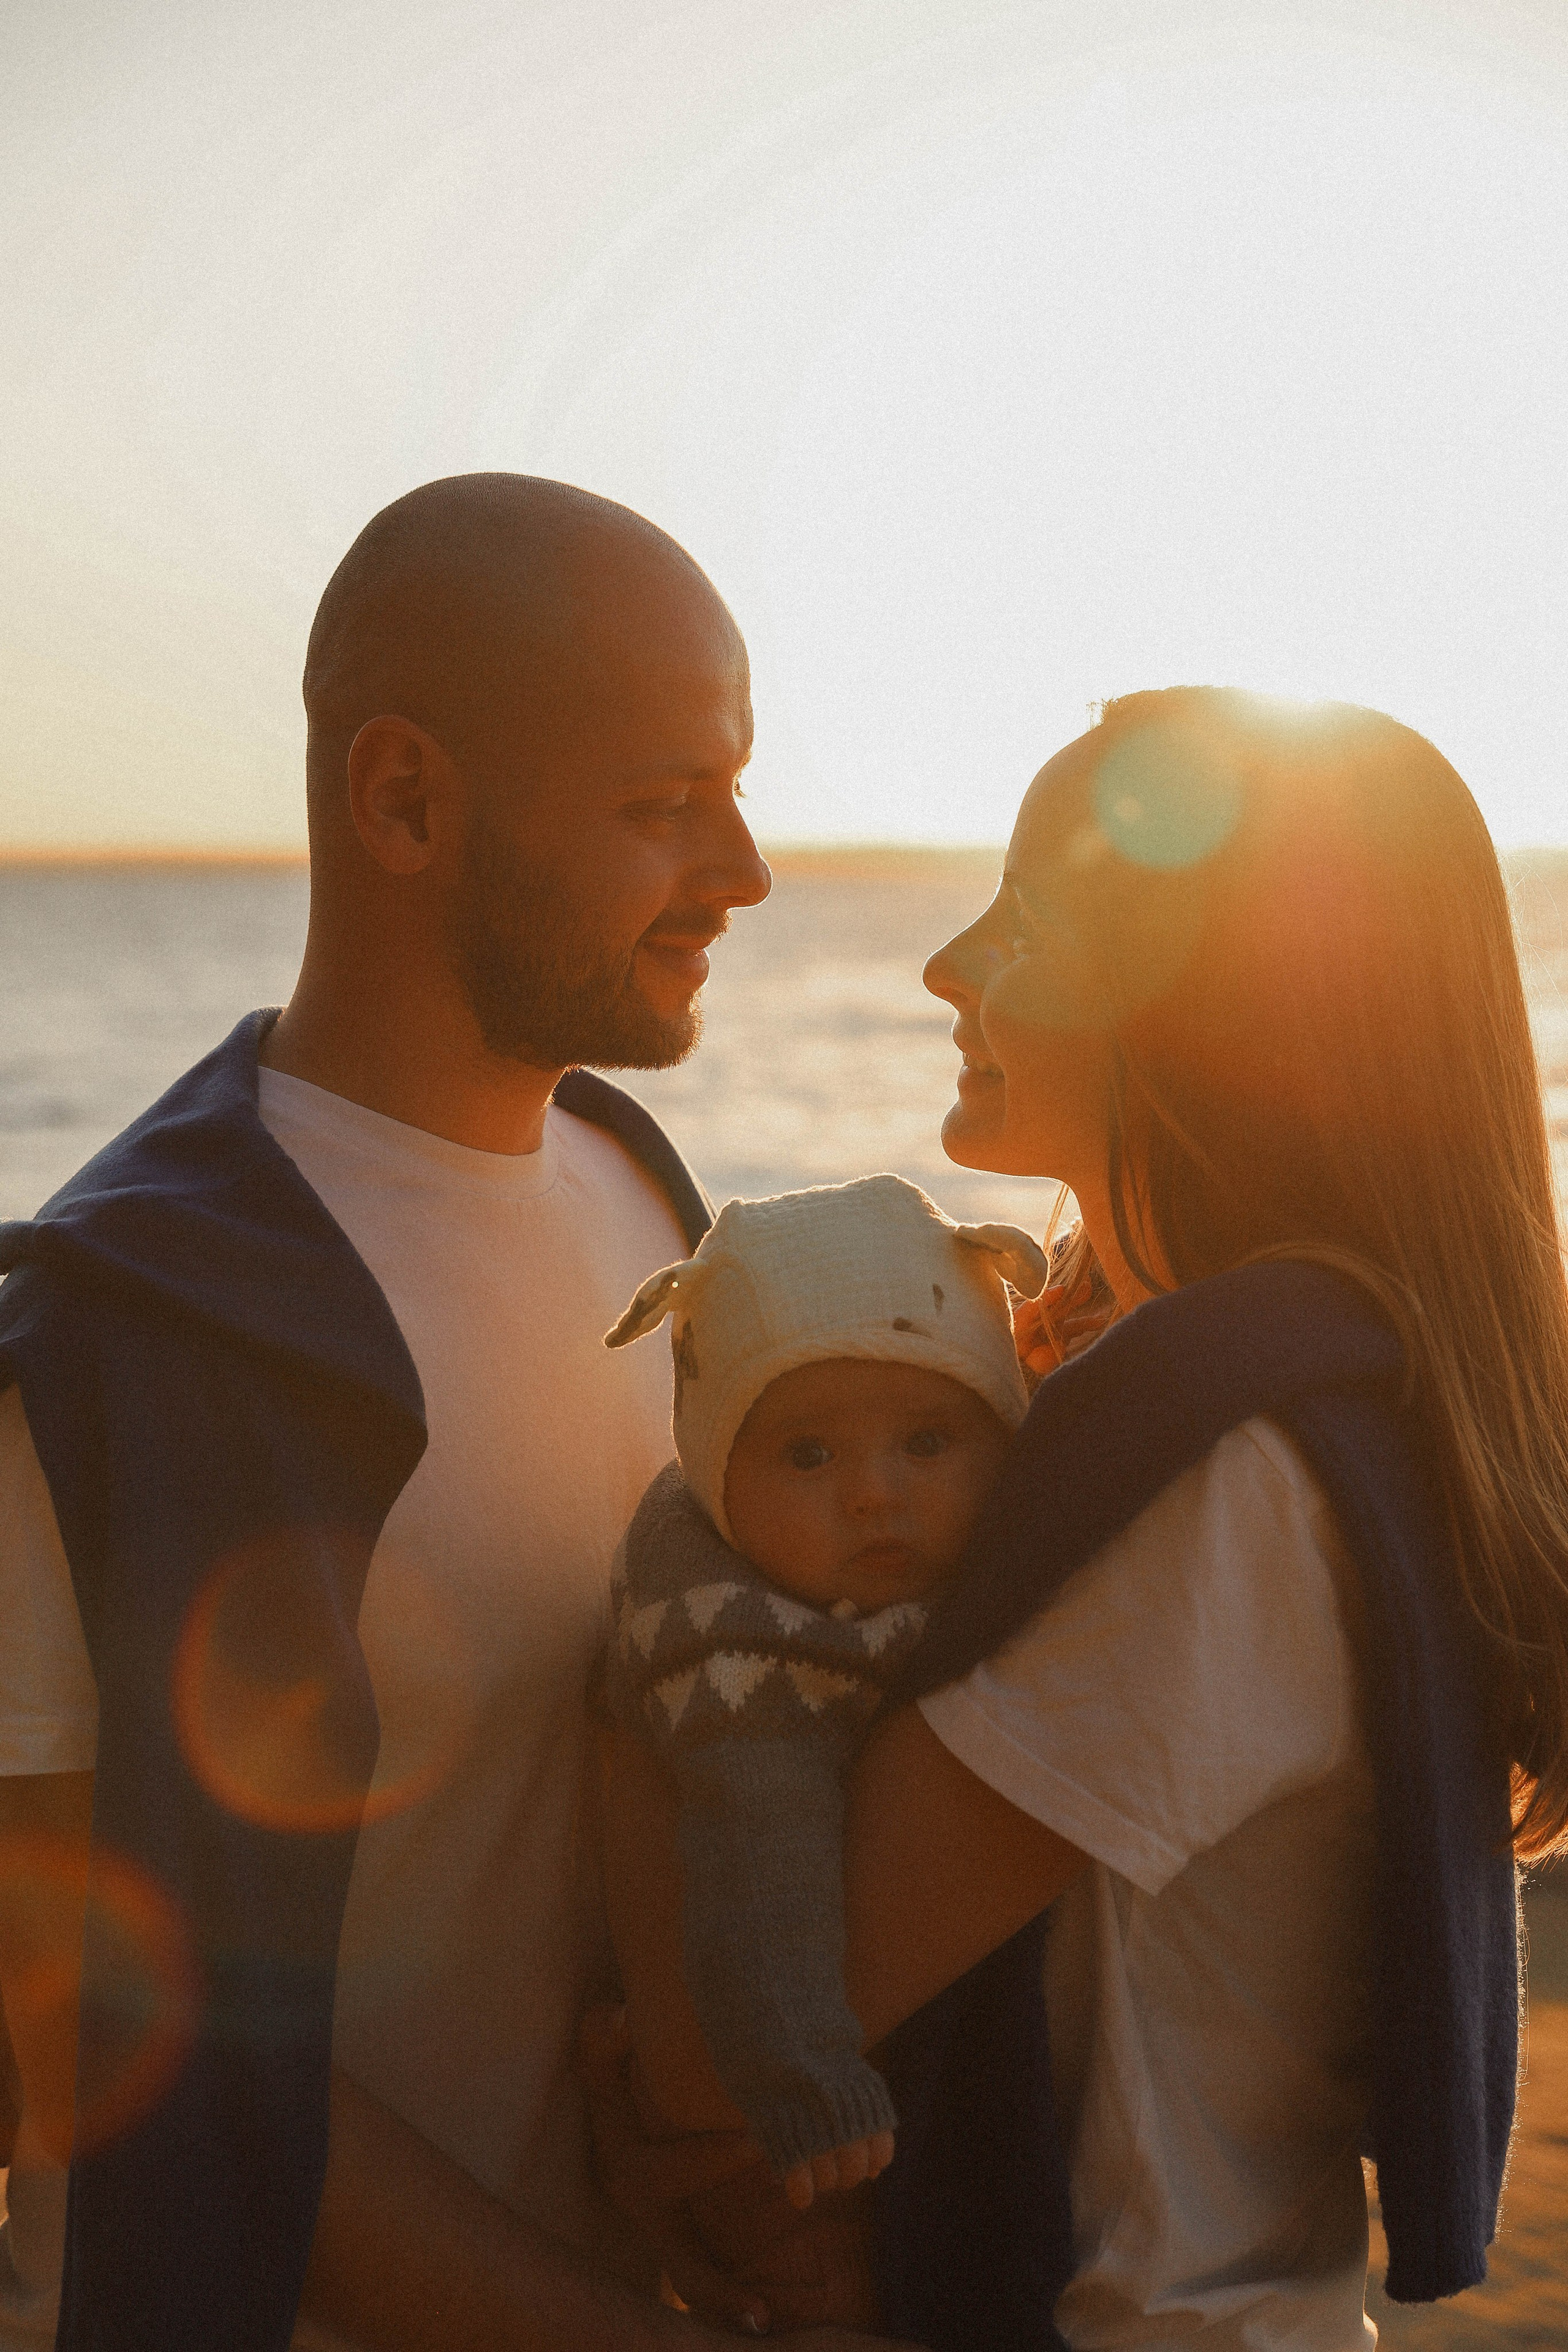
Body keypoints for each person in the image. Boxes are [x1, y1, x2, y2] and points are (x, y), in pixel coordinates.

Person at [0, 473, 912, 2352]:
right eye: (668, 806)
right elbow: (111, 2043)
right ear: (406, 799)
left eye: (736, 789)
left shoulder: (635, 1194)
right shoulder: (115, 1335)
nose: (745, 872)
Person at [598, 687, 1568, 2348]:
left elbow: (715, 2047)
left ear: (1214, 1002)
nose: (947, 967)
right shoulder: (1303, 1395)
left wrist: (656, 1629)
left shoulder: (1224, 1480)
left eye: (1027, 918)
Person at [602, 1175, 1052, 2217]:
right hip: (781, 2092)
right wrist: (810, 2088)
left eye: (929, 1442)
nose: (874, 1493)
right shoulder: (737, 1646)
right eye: (808, 1455)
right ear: (718, 1472)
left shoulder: (844, 1569)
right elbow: (759, 1873)